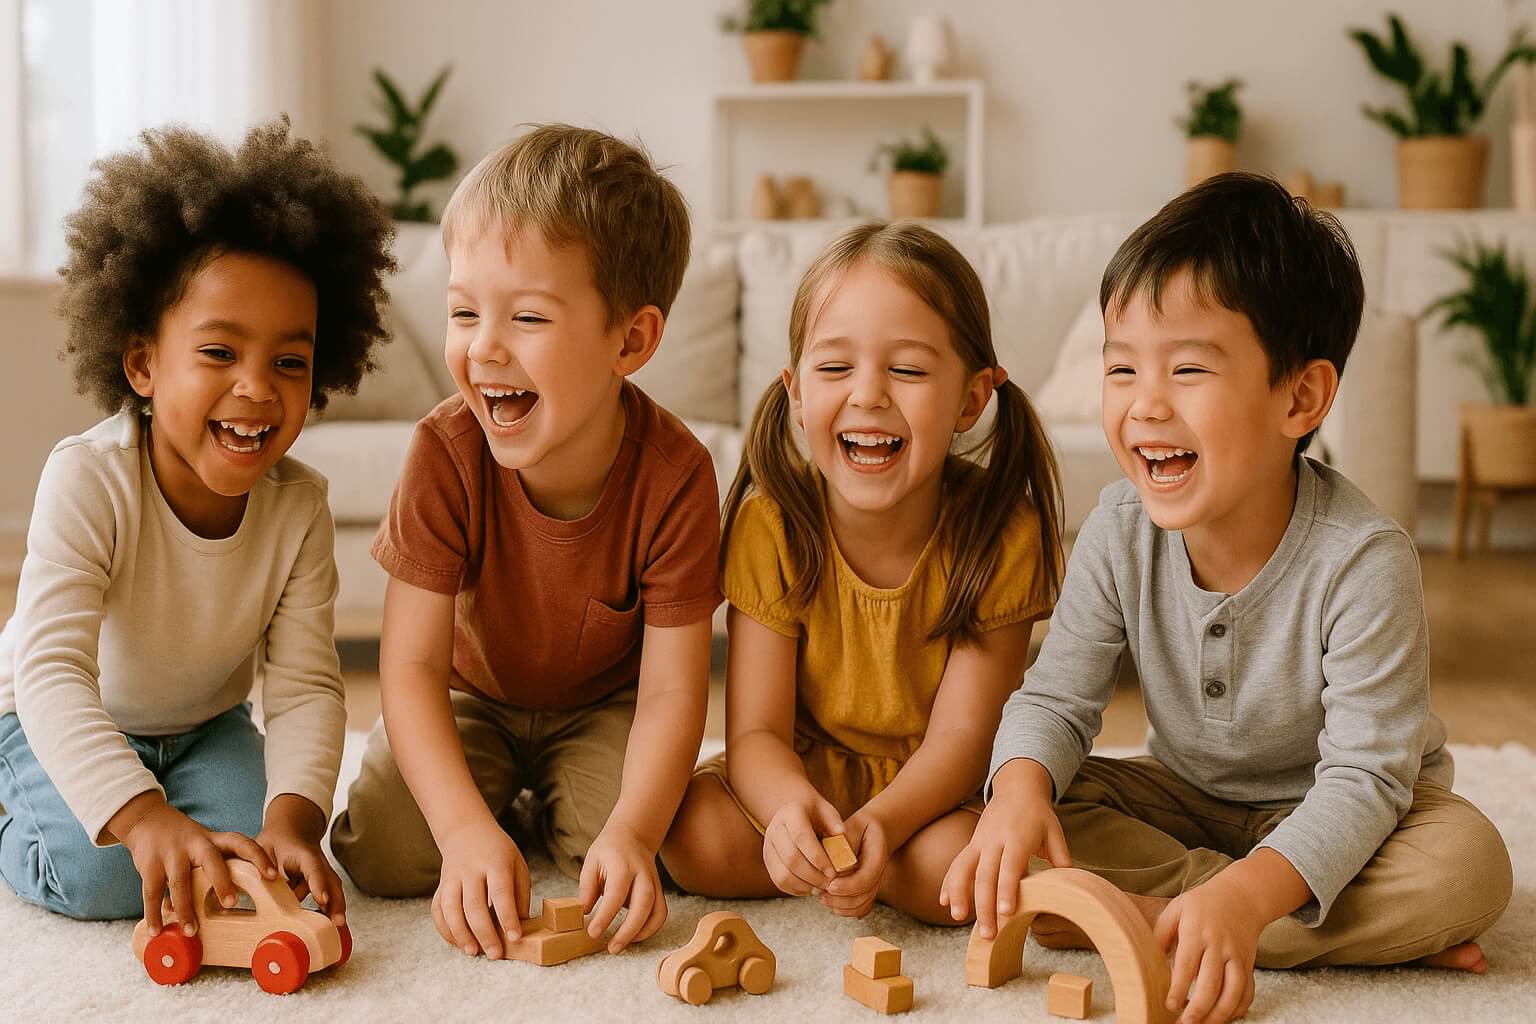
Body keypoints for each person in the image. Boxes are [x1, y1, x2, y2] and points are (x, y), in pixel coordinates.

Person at [943, 173, 1513, 1024]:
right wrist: (1020, 790)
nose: (1146, 404)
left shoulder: (1364, 559)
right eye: (1123, 368)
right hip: (1186, 801)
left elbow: (1364, 779)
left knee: (1467, 868)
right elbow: (1056, 700)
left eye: (1187, 369)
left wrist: (1248, 898)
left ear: (1301, 397)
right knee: (1003, 817)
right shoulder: (1118, 528)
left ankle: (1169, 921)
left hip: (1352, 811)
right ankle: (1275, 925)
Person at [330, 125, 721, 959]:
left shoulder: (678, 474)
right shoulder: (446, 451)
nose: (483, 348)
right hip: (471, 696)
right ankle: (499, 806)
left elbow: (672, 696)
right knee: (389, 852)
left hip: (605, 708)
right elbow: (408, 668)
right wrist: (465, 830)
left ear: (631, 341)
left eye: (529, 316)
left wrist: (634, 833)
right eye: (464, 312)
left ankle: (549, 807)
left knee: (644, 854)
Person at [0, 119, 395, 939]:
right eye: (219, 352)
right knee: (103, 873)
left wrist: (294, 819)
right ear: (141, 365)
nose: (257, 388)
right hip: (52, 714)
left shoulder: (298, 507)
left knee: (240, 859)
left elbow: (305, 687)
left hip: (203, 725)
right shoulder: (89, 478)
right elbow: (51, 674)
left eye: (290, 362)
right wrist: (141, 816)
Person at [661, 222, 1064, 924]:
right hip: (805, 773)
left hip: (931, 793)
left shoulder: (1004, 534)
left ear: (971, 400)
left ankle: (866, 865)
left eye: (906, 370)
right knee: (689, 834)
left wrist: (880, 823)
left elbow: (963, 741)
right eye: (835, 368)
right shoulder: (770, 524)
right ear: (794, 393)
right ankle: (846, 867)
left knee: (958, 868)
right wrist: (788, 810)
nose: (869, 395)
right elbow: (755, 734)